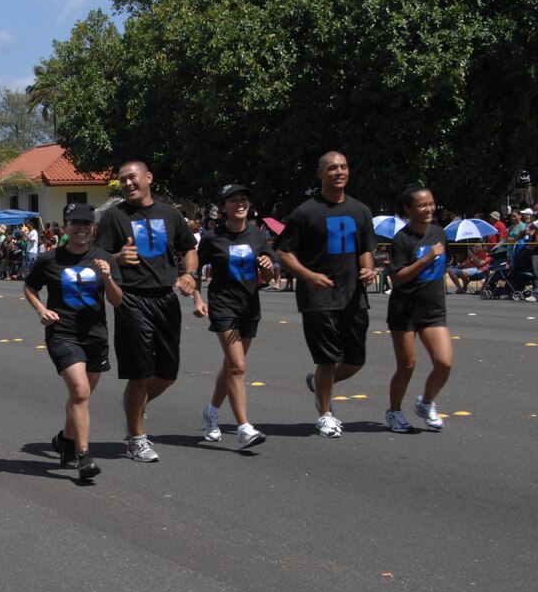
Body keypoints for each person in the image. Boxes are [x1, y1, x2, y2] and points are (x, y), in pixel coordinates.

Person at [95, 160, 198, 462]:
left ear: (149, 178)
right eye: (122, 179)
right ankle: (136, 438)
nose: (127, 183)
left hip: (166, 299)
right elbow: (97, 257)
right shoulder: (114, 217)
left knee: (167, 374)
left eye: (132, 177)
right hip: (131, 299)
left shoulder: (170, 214)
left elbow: (189, 248)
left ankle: (132, 404)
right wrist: (117, 257)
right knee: (140, 374)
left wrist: (190, 275)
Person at [277, 151, 378, 438]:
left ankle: (319, 383)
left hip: (353, 297)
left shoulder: (360, 210)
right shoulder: (305, 212)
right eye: (332, 168)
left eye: (343, 167)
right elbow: (284, 253)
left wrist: (369, 269)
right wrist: (309, 276)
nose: (339, 172)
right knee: (326, 359)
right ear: (320, 173)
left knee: (355, 361)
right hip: (317, 298)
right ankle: (325, 413)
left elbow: (367, 250)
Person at [24, 203, 122, 480]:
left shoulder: (104, 259)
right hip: (62, 334)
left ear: (93, 228)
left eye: (86, 223)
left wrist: (107, 277)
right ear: (66, 227)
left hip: (96, 336)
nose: (81, 228)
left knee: (82, 397)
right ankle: (84, 455)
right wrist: (42, 310)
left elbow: (116, 300)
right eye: (75, 223)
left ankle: (65, 440)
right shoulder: (50, 259)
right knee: (80, 393)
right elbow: (30, 286)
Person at [192, 184, 275, 449]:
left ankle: (211, 412)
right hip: (223, 305)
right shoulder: (213, 238)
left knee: (231, 366)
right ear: (223, 208)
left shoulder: (258, 236)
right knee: (238, 366)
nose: (240, 204)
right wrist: (197, 297)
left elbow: (273, 277)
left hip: (250, 306)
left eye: (244, 199)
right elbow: (195, 269)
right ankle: (244, 427)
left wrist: (269, 267)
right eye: (233, 200)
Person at [383, 185, 452, 432]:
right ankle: (393, 412)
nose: (429, 209)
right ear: (408, 209)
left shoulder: (439, 233)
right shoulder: (402, 239)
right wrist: (425, 259)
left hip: (433, 310)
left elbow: (443, 267)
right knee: (407, 365)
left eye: (431, 204)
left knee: (444, 363)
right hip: (405, 311)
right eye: (422, 205)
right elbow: (397, 278)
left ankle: (425, 402)